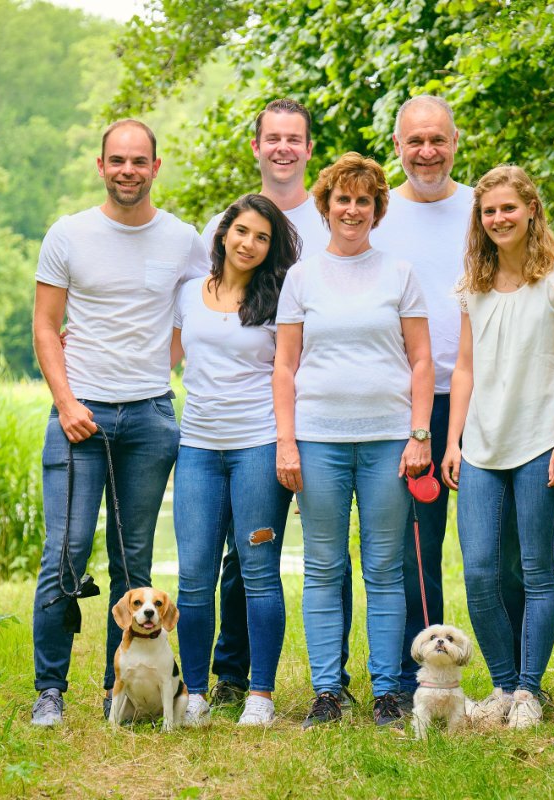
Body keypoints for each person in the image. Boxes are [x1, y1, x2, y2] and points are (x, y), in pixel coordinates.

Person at [30, 119, 210, 726]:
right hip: (79, 417)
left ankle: (124, 692)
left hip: (152, 418)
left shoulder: (184, 239)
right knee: (67, 553)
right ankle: (49, 691)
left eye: (140, 161)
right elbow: (45, 327)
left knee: (133, 562)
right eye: (117, 160)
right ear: (101, 166)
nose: (128, 170)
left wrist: (161, 363)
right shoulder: (69, 233)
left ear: (155, 167)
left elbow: (204, 309)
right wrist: (66, 401)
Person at [201, 100, 356, 710]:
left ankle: (331, 682)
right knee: (247, 550)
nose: (284, 148)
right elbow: (198, 301)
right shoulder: (233, 220)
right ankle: (232, 674)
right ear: (257, 146)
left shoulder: (333, 220)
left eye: (295, 138)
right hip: (249, 426)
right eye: (273, 138)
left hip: (321, 414)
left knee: (329, 550)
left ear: (309, 149)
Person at [273, 152, 434, 728]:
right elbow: (285, 367)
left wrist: (420, 435)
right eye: (343, 199)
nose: (352, 209)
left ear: (377, 210)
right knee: (322, 566)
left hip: (390, 440)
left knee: (385, 569)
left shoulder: (399, 273)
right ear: (326, 206)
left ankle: (389, 690)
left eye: (363, 200)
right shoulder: (301, 277)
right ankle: (327, 691)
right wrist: (286, 442)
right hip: (317, 440)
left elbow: (421, 360)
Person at [441, 165, 554, 728]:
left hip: (540, 442)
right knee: (479, 571)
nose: (499, 218)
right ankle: (503, 685)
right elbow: (464, 371)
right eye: (488, 211)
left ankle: (530, 692)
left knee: (536, 572)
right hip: (480, 444)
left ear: (531, 211)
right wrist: (452, 441)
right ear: (479, 221)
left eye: (508, 208)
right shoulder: (471, 286)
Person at [171, 194, 300, 727]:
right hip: (198, 448)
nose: (250, 243)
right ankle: (195, 692)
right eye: (242, 231)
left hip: (258, 447)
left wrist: (290, 445)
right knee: (194, 576)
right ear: (223, 234)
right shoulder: (187, 293)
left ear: (272, 249)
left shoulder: (281, 298)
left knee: (258, 572)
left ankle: (260, 696)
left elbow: (293, 371)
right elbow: (163, 355)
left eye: (262, 237)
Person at [370, 95, 473, 706]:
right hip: (409, 407)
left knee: (496, 550)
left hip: (486, 397)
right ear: (398, 145)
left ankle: (517, 682)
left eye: (437, 139)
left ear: (455, 142)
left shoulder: (481, 206)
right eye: (415, 141)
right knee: (415, 547)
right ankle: (421, 678)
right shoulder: (378, 215)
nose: (426, 151)